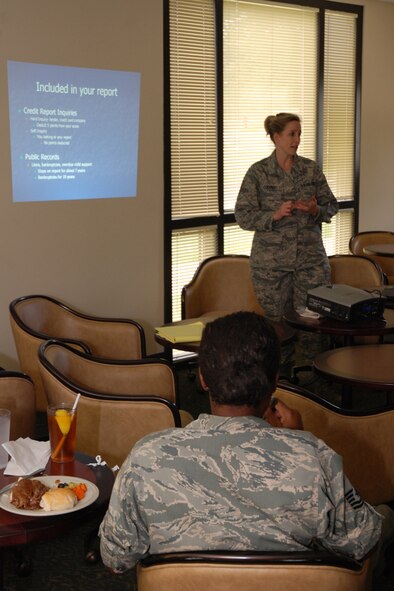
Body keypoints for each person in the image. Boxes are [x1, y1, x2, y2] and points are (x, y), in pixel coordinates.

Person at [99, 311, 383, 575]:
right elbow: (361, 542)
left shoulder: (146, 456)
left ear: (202, 379)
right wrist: (296, 441)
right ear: (274, 381)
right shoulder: (314, 458)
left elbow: (115, 557)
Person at [235, 113, 338, 371]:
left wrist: (315, 210)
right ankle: (277, 384)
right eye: (292, 134)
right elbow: (243, 216)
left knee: (313, 324)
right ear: (276, 137)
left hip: (310, 262)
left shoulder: (310, 169)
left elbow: (332, 206)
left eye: (299, 134)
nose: (297, 139)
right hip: (271, 267)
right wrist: (273, 215)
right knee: (277, 328)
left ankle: (311, 381)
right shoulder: (258, 173)